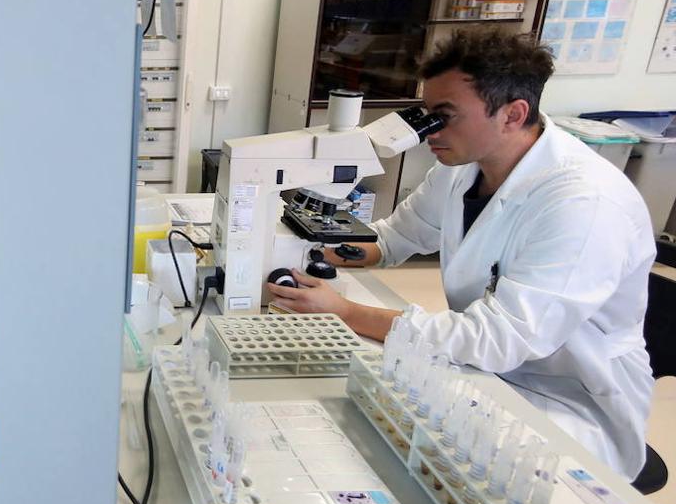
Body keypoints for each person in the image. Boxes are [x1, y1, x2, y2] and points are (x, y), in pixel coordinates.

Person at [269, 29, 656, 479]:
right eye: (427, 114)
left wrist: (344, 311)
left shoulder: (584, 203)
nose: (428, 131)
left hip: (567, 401)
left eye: (444, 116)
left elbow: (498, 339)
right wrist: (323, 245)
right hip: (479, 373)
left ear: (513, 114)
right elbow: (396, 237)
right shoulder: (462, 167)